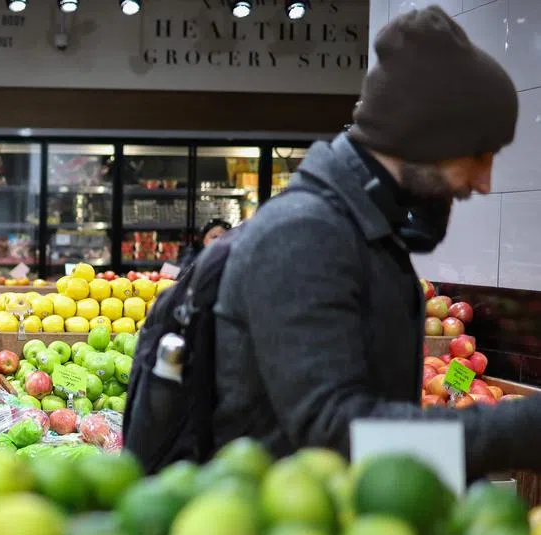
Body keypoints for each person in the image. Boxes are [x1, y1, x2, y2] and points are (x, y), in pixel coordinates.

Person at [211, 5, 541, 478]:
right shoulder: (305, 236)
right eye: (479, 154)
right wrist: (521, 432)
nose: (485, 182)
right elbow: (335, 435)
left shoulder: (358, 232)